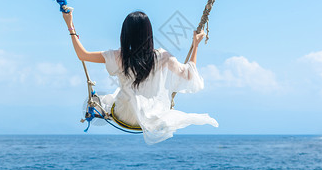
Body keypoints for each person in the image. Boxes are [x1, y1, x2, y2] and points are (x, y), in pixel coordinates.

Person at [63, 10, 218, 144]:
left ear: (125, 33)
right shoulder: (163, 56)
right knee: (128, 96)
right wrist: (195, 45)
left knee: (108, 98)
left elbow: (82, 55)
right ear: (148, 33)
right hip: (154, 117)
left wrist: (70, 26)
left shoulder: (118, 56)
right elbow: (190, 76)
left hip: (124, 115)